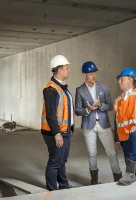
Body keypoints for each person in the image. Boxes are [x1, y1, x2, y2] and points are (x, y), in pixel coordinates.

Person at [75, 61, 122, 185]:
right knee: (92, 154)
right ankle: (94, 180)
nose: (93, 76)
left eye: (95, 73)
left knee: (111, 152)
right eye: (90, 74)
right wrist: (87, 109)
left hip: (103, 124)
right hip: (88, 126)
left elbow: (111, 106)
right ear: (84, 74)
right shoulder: (79, 90)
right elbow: (77, 110)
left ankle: (118, 177)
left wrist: (101, 105)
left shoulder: (103, 87)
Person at [41, 55, 74, 191]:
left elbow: (66, 110)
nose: (69, 70)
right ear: (60, 70)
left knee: (62, 161)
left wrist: (69, 128)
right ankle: (52, 189)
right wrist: (57, 133)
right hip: (54, 132)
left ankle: (64, 185)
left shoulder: (62, 87)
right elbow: (51, 115)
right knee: (55, 161)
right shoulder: (51, 89)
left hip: (64, 131)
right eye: (67, 68)